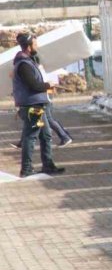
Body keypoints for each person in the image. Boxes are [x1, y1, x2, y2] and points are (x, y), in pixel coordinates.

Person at [12, 32, 64, 177]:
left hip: (38, 104)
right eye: (35, 44)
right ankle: (26, 168)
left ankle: (48, 165)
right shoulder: (23, 64)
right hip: (31, 106)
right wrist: (48, 85)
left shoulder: (29, 61)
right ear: (28, 47)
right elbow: (33, 85)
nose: (37, 47)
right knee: (31, 136)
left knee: (46, 135)